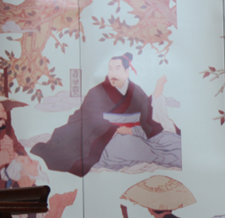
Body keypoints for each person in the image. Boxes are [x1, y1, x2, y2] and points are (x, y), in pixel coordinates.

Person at [31, 53, 181, 177]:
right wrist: (114, 129)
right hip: (104, 136)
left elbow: (147, 117)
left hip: (133, 132)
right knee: (134, 147)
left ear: (127, 72)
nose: (113, 74)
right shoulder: (97, 92)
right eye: (110, 69)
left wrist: (134, 130)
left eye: (117, 68)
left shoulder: (136, 91)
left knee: (170, 140)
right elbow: (86, 118)